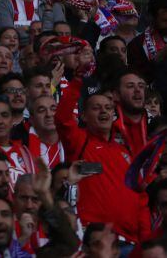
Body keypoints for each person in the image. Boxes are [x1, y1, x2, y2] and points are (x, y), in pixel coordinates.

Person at [55, 75, 151, 244]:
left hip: (130, 243)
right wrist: (77, 80)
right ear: (83, 116)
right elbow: (62, 119)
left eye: (108, 108)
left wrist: (145, 242)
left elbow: (140, 199)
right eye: (97, 108)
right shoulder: (80, 142)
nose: (104, 111)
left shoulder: (125, 150)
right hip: (95, 242)